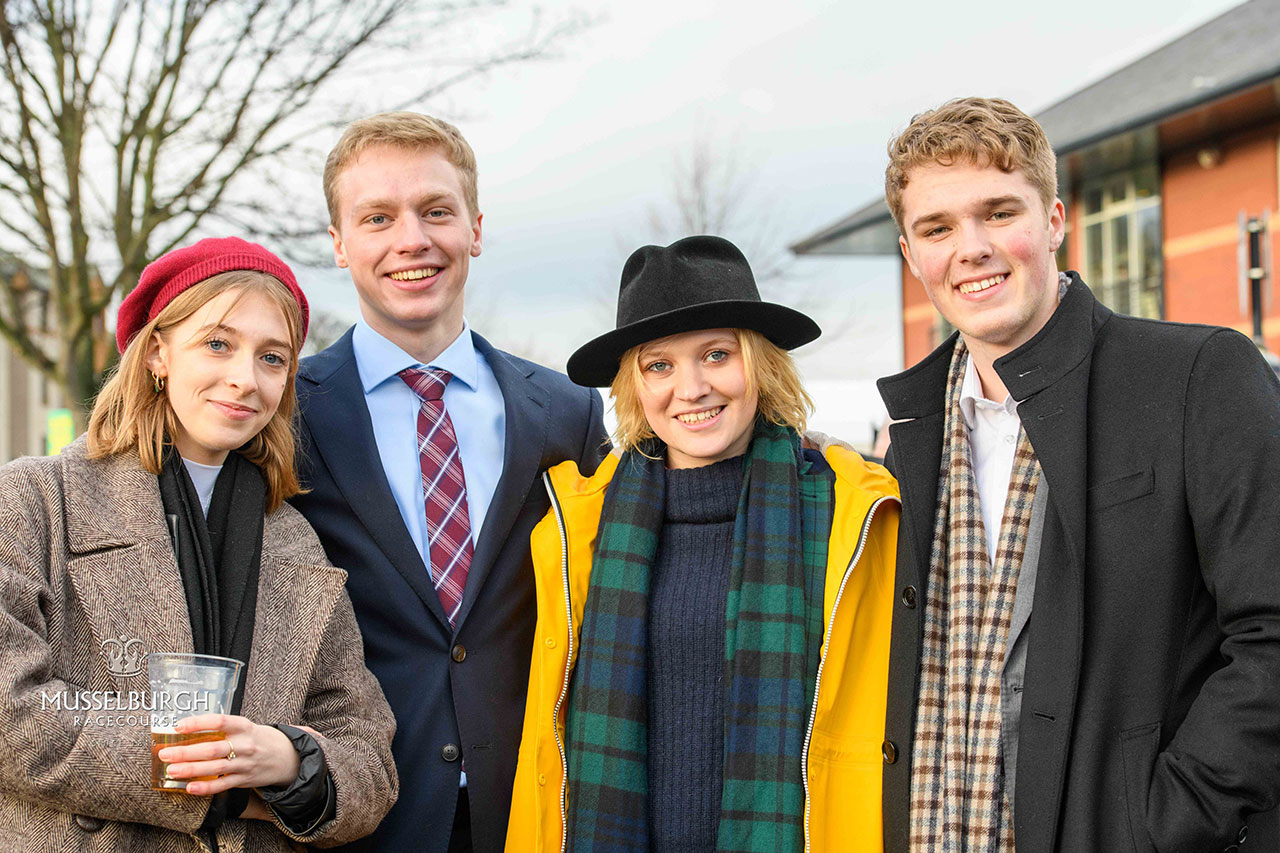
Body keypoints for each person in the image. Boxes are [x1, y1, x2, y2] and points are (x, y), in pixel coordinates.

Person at [877, 96, 1280, 851]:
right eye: (938, 227)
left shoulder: (1196, 376)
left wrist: (1162, 822)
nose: (972, 248)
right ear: (911, 254)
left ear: (1055, 220)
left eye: (999, 212)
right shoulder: (910, 440)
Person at [0, 237, 398, 851]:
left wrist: (290, 761)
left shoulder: (295, 539)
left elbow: (368, 755)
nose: (245, 379)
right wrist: (223, 779)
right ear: (157, 351)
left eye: (273, 357)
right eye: (218, 344)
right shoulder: (33, 500)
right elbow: (11, 716)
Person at [506, 235, 900, 852]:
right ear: (634, 386)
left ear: (760, 363)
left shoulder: (851, 514)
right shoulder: (577, 526)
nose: (690, 388)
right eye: (658, 365)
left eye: (716, 355)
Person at [291, 112, 608, 853]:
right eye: (378, 217)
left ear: (474, 227)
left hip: (535, 810)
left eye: (436, 210)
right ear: (339, 244)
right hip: (359, 814)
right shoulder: (282, 418)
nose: (412, 239)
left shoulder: (567, 412)